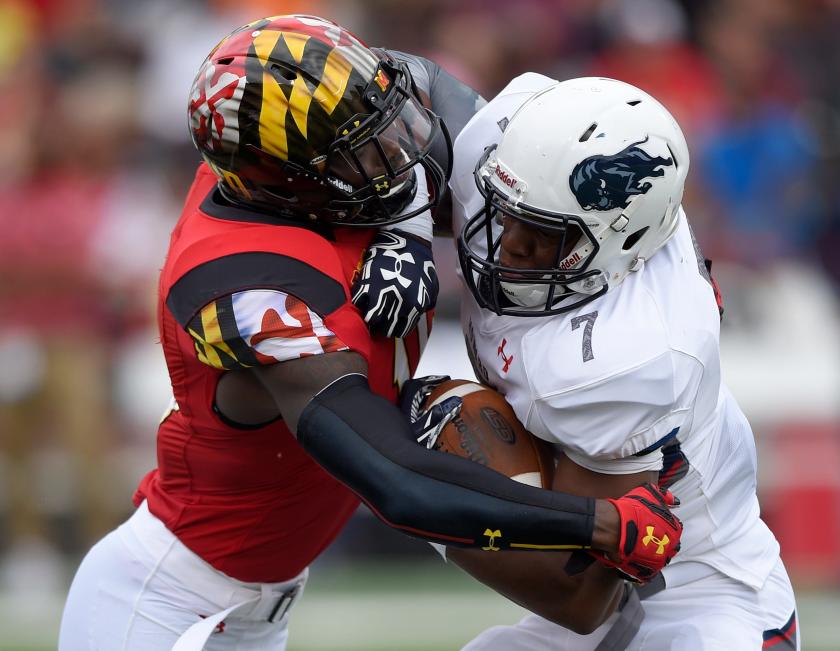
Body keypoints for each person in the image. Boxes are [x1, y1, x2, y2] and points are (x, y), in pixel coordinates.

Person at [57, 16, 682, 651]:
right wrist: (600, 523)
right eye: (363, 149)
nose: (399, 148)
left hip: (256, 600)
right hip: (166, 606)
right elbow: (394, 479)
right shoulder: (245, 287)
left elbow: (425, 93)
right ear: (293, 184)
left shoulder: (283, 147)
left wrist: (406, 222)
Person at [437, 74, 800, 648]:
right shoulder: (529, 162)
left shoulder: (628, 354)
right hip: (604, 584)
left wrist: (422, 488)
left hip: (698, 589)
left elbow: (579, 594)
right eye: (508, 214)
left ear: (617, 240)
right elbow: (422, 92)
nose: (508, 245)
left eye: (541, 233)